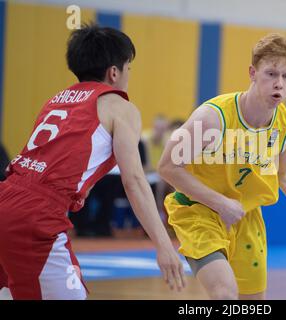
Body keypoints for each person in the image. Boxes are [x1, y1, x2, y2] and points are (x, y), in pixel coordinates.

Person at [0, 24, 185, 300]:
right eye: (128, 68)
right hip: (36, 215)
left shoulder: (55, 101)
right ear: (114, 71)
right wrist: (164, 244)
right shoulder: (120, 107)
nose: (128, 75)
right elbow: (133, 180)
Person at [158, 33, 286, 300]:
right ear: (252, 72)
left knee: (252, 302)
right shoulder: (212, 117)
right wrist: (220, 203)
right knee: (225, 293)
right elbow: (168, 167)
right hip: (198, 211)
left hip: (245, 217)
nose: (279, 83)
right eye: (271, 74)